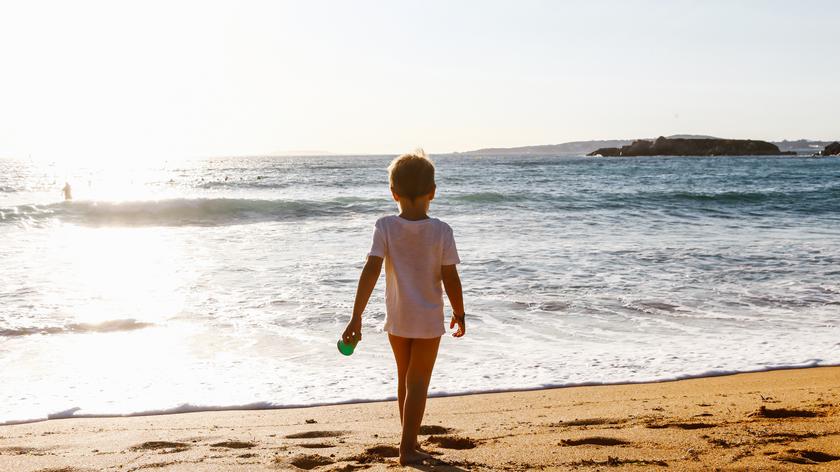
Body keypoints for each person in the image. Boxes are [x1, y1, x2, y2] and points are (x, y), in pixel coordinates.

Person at [342, 150, 466, 465]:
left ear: (393, 193)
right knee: (419, 381)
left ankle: (407, 440)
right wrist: (459, 312)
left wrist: (356, 315)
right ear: (433, 193)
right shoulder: (441, 230)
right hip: (427, 320)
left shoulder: (385, 226)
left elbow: (370, 270)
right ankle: (407, 446)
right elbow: (450, 277)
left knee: (404, 378)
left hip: (397, 318)